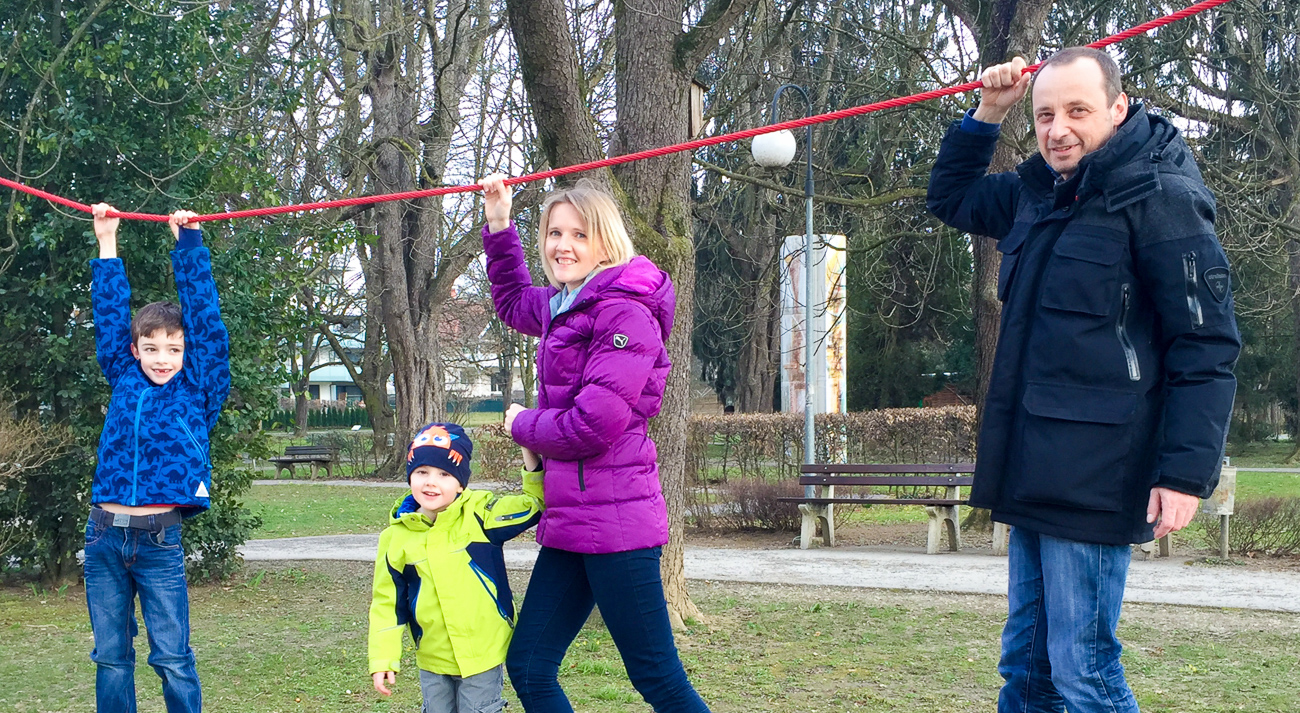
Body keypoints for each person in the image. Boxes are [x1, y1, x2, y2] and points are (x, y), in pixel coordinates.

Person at [927, 48, 1241, 712]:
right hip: (1030, 469)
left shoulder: (1163, 198)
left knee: (1083, 671)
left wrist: (1186, 473)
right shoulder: (1034, 193)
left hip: (1100, 475)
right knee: (1027, 670)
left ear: (1117, 109)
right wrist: (988, 111)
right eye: (1045, 115)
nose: (1058, 129)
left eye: (1077, 111)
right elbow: (950, 196)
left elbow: (1205, 345)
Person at [478, 174, 712, 713]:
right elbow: (514, 301)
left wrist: (521, 424)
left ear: (606, 242)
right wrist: (498, 223)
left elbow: (593, 425)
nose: (563, 246)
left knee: (658, 679)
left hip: (618, 528)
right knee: (531, 665)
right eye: (555, 233)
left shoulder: (624, 311)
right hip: (570, 525)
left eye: (579, 235)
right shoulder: (567, 304)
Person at [85, 203, 231, 713]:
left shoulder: (199, 388)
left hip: (159, 540)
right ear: (135, 351)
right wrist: (107, 240)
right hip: (103, 534)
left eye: (173, 348)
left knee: (171, 656)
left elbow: (207, 325)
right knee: (110, 657)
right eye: (152, 348)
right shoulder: (122, 375)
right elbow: (109, 315)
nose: (163, 358)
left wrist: (187, 244)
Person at [368, 422, 544, 713]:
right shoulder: (395, 538)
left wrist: (529, 452)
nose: (431, 483)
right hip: (432, 657)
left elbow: (535, 503)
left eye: (444, 474)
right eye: (421, 472)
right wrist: (382, 659)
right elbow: (387, 604)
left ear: (461, 483)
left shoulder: (481, 516)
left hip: (482, 654)